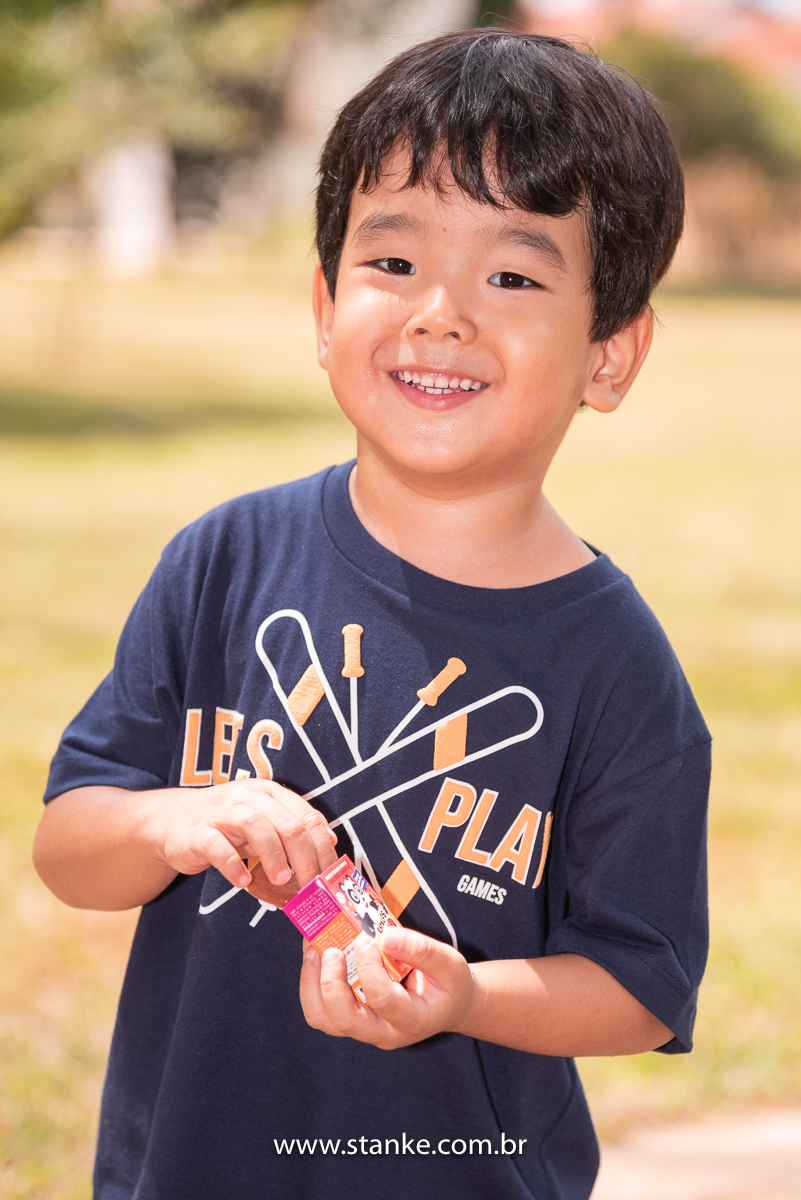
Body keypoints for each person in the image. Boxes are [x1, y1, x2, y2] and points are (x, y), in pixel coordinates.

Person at [33, 29, 710, 1200]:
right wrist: (173, 825)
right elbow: (70, 848)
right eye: (391, 262)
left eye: (512, 274)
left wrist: (464, 996)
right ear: (323, 302)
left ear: (612, 352)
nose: (439, 315)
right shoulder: (225, 559)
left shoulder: (615, 664)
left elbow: (643, 991)